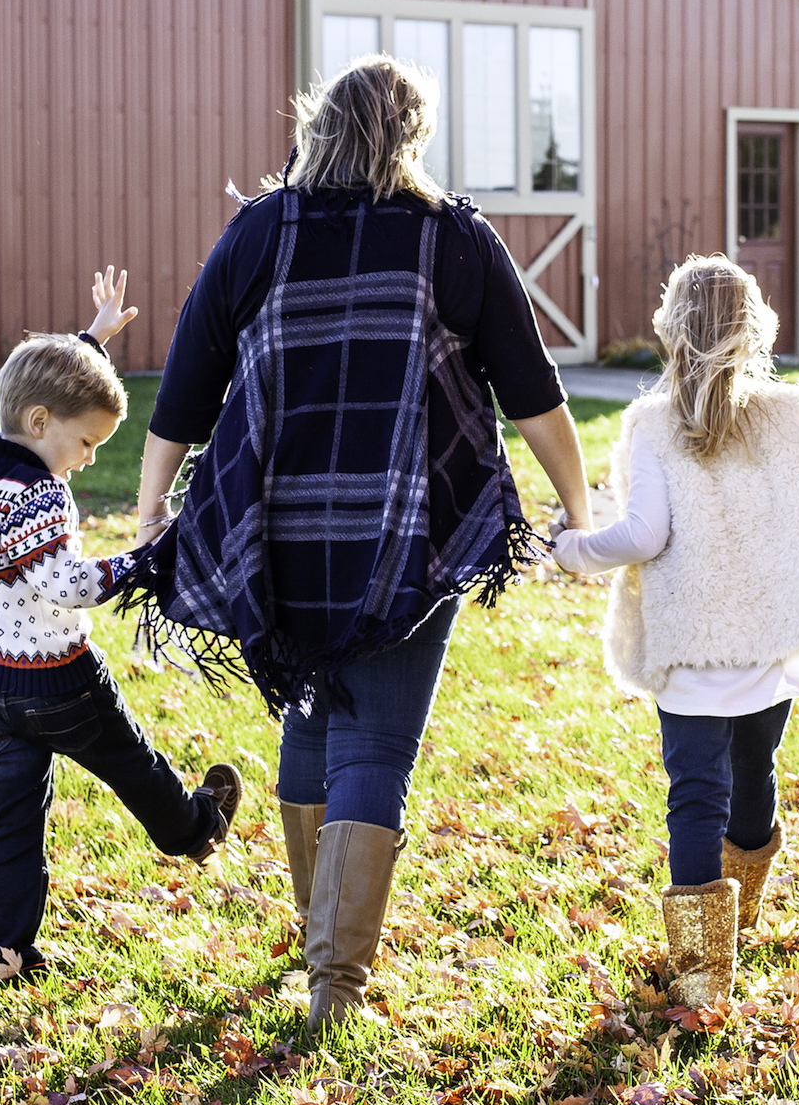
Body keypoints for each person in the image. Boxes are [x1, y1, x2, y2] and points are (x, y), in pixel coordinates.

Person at [125, 57, 591, 1037]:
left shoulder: (262, 229)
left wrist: (151, 504)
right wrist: (577, 503)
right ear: (411, 135)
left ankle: (320, 944)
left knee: (309, 715)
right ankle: (334, 985)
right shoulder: (453, 237)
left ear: (319, 127)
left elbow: (189, 376)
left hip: (274, 533)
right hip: (406, 534)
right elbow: (532, 388)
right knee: (372, 740)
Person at [551, 257, 799, 1009]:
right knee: (753, 774)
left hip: (691, 648)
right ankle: (737, 913)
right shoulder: (787, 416)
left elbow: (643, 534)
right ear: (754, 330)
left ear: (672, 330)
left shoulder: (653, 426)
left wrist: (575, 548)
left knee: (694, 797)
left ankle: (702, 971)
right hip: (768, 646)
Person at [0, 268, 243, 980]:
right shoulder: (42, 496)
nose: (86, 460)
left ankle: (9, 953)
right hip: (61, 685)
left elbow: (39, 391)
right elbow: (67, 583)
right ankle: (196, 830)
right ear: (41, 425)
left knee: (12, 821)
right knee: (135, 767)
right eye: (86, 443)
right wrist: (144, 560)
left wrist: (91, 342)